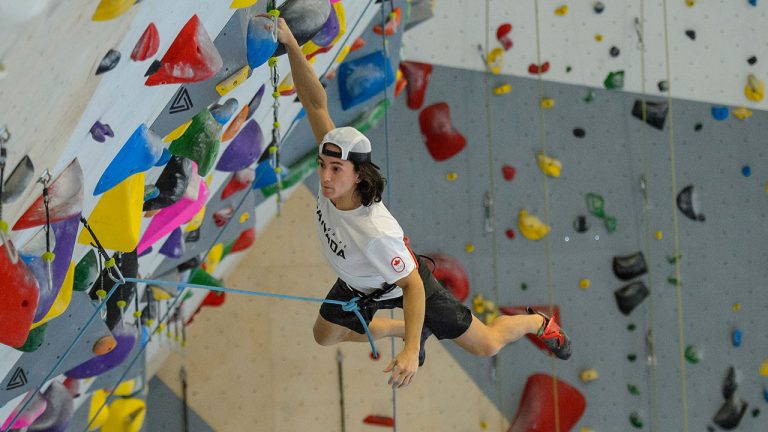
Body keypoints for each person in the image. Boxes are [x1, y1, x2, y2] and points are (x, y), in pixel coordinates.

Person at [273, 17, 571, 389]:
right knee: (324, 335)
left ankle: (538, 323)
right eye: (322, 166)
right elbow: (315, 103)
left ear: (359, 175)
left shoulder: (375, 232)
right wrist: (290, 44)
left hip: (404, 284)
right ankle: (403, 327)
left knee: (486, 344)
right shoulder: (335, 180)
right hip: (360, 281)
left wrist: (411, 351)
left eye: (336, 169)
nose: (325, 177)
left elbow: (412, 286)